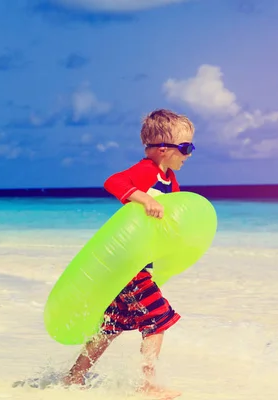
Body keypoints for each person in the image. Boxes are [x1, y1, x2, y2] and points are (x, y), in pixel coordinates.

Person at [62, 109, 196, 399]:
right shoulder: (147, 171)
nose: (189, 154)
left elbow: (170, 216)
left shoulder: (169, 179)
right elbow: (114, 182)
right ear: (163, 149)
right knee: (159, 317)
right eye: (186, 148)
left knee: (112, 326)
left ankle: (74, 376)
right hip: (129, 264)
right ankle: (146, 382)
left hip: (137, 264)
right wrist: (143, 196)